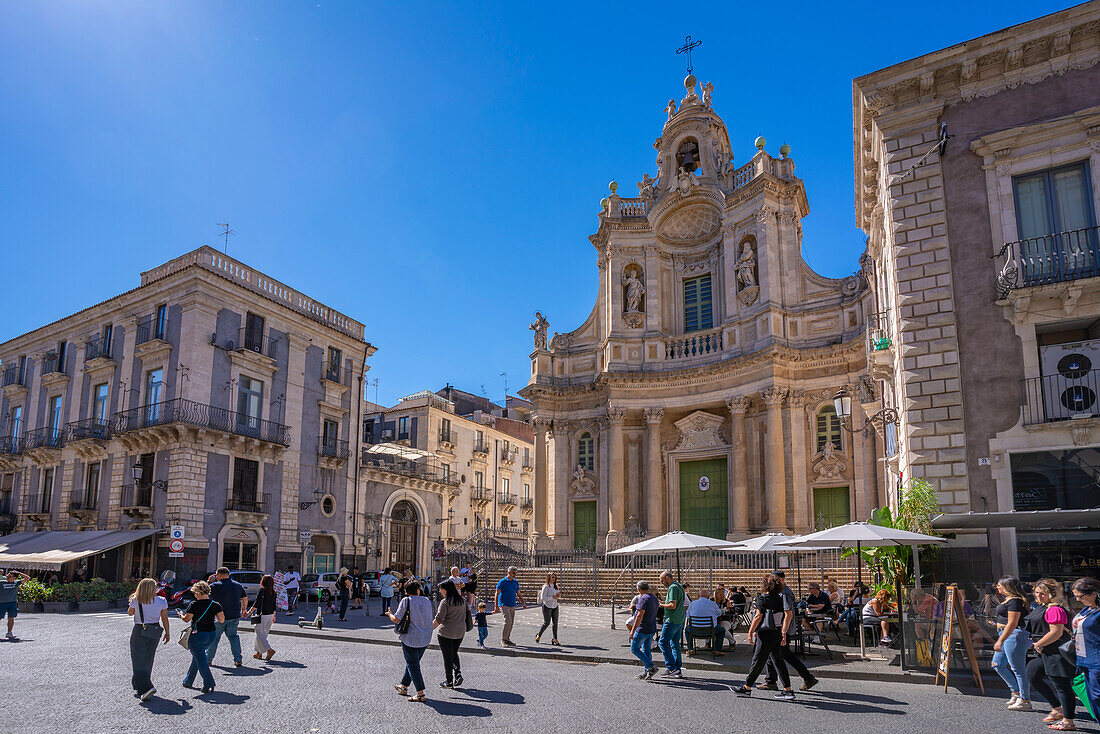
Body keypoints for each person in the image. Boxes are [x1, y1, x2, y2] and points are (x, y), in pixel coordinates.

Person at [1026, 578, 1077, 730]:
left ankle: (1068, 721)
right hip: (1046, 651)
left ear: (1052, 593)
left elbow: (1056, 632)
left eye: (1043, 593)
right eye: (1036, 593)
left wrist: (1039, 643)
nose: (1038, 596)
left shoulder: (1054, 608)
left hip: (1056, 651)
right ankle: (1057, 708)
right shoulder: (1044, 606)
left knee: (1061, 686)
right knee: (1032, 674)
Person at [734, 574, 795, 700]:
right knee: (778, 661)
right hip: (777, 631)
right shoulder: (780, 598)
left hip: (765, 633)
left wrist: (750, 631)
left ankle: (747, 687)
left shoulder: (762, 599)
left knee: (758, 661)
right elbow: (787, 615)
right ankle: (788, 690)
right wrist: (783, 632)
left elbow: (758, 617)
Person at [762, 571, 819, 692]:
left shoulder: (785, 593)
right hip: (781, 628)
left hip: (783, 629)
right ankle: (770, 680)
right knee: (775, 654)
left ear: (781, 580)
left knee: (784, 655)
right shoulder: (781, 592)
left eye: (775, 579)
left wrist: (784, 631)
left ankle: (807, 678)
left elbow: (788, 613)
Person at [387, 580, 433, 703]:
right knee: (413, 662)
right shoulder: (427, 601)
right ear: (418, 590)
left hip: (411, 637)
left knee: (413, 664)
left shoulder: (406, 601)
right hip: (426, 636)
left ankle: (420, 694)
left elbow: (397, 619)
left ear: (406, 591)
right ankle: (404, 686)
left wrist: (390, 614)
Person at [991, 576, 1033, 711]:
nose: (997, 587)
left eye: (999, 585)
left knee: (1018, 669)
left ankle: (1025, 700)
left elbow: (1012, 622)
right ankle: (1016, 692)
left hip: (1013, 635)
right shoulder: (1009, 600)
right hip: (1006, 634)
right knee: (997, 664)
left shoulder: (1015, 601)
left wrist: (1001, 640)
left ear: (1007, 586)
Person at [178, 581, 225, 694]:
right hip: (211, 634)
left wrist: (180, 615)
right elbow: (221, 620)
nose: (194, 595)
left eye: (194, 593)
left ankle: (209, 682)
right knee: (198, 657)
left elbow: (187, 619)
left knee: (201, 659)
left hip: (197, 635)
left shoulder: (194, 604)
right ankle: (188, 681)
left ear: (198, 593)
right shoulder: (215, 605)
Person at [127, 577, 170, 701]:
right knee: (148, 658)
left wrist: (133, 600)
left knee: (137, 659)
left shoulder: (136, 600)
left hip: (139, 629)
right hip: (154, 629)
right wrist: (167, 633)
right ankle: (137, 684)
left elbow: (130, 613)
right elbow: (165, 618)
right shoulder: (161, 600)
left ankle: (146, 688)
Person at [1071, 577, 1100, 720]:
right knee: (1092, 698)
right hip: (1084, 659)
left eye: (1080, 596)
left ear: (1093, 593)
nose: (1077, 600)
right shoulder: (1087, 609)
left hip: (1096, 660)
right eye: (1075, 596)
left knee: (1097, 696)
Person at [207, 567, 247, 667]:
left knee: (214, 639)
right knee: (233, 637)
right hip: (234, 616)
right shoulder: (237, 585)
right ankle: (238, 659)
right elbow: (245, 598)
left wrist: (208, 581)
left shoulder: (214, 585)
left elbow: (202, 593)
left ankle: (208, 659)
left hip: (218, 616)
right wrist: (243, 609)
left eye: (216, 575)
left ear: (219, 574)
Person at [434, 579, 467, 689]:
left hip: (446, 632)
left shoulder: (445, 602)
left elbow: (439, 619)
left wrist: (428, 629)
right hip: (460, 631)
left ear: (446, 590)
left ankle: (449, 681)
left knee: (447, 657)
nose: (440, 591)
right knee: (454, 652)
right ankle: (458, 673)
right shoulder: (462, 600)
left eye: (441, 589)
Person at [657, 570, 686, 678]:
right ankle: (677, 669)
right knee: (675, 644)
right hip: (679, 619)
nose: (662, 583)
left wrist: (661, 605)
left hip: (672, 620)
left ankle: (671, 668)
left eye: (662, 581)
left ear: (667, 578)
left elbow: (672, 605)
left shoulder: (673, 588)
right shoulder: (679, 586)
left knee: (663, 642)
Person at [628, 581, 659, 680]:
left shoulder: (643, 599)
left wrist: (632, 630)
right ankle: (647, 672)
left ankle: (651, 667)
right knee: (646, 650)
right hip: (651, 628)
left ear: (638, 589)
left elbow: (639, 616)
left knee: (634, 649)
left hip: (642, 629)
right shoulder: (654, 598)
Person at [685, 588, 725, 656]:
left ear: (698, 596)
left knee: (687, 630)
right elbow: (719, 613)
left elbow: (688, 616)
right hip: (710, 630)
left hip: (694, 630)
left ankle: (690, 649)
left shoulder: (692, 604)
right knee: (722, 630)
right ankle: (717, 650)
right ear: (708, 597)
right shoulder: (712, 603)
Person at [246, 574, 277, 661]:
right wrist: (274, 616)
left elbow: (257, 603)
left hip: (261, 615)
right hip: (270, 615)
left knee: (260, 634)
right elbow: (274, 605)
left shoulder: (262, 589)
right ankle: (258, 653)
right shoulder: (273, 592)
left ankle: (269, 650)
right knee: (263, 634)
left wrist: (249, 612)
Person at [494, 566, 526, 647]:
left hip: (512, 605)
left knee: (511, 623)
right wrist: (496, 606)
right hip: (503, 604)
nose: (515, 574)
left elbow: (518, 594)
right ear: (509, 573)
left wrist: (523, 603)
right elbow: (497, 594)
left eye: (516, 573)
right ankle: (503, 640)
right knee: (507, 621)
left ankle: (507, 639)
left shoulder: (515, 582)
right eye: (514, 573)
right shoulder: (502, 582)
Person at [0, 569, 29, 641]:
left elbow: (27, 578)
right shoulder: (1, 583)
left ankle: (9, 632)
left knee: (11, 618)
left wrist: (18, 573)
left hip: (12, 603)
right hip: (2, 603)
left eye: (10, 576)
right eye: (8, 575)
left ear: (14, 578)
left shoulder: (16, 583)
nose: (7, 577)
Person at [535, 572, 560, 645]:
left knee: (555, 623)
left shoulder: (556, 586)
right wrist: (552, 597)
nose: (554, 579)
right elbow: (543, 598)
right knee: (547, 622)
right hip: (547, 606)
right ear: (548, 578)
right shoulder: (546, 586)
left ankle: (555, 638)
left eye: (555, 577)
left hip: (555, 605)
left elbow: (557, 594)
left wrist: (558, 595)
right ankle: (539, 635)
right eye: (552, 577)